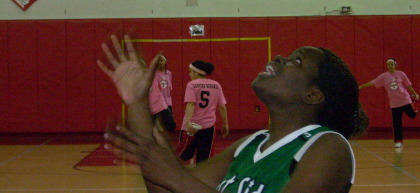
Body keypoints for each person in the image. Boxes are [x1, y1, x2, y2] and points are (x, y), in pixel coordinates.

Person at [99, 34, 368, 193]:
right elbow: (170, 188)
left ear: (313, 94)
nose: (279, 58)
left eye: (296, 61)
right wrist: (136, 102)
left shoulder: (328, 146)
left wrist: (176, 176)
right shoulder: (251, 144)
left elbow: (177, 182)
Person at [176, 60, 229, 164]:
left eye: (190, 71)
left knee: (182, 154)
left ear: (196, 72)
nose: (189, 74)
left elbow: (191, 104)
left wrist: (187, 123)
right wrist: (225, 124)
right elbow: (222, 107)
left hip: (192, 127)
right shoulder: (216, 85)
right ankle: (201, 178)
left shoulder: (191, 85)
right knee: (204, 158)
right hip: (208, 127)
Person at [359, 58, 419, 148]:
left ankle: (413, 101)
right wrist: (361, 86)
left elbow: (408, 85)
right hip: (394, 103)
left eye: (392, 64)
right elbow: (374, 82)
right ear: (387, 66)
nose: (390, 66)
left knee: (412, 115)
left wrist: (414, 93)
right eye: (389, 65)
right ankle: (399, 141)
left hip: (405, 99)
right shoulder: (384, 76)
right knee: (396, 122)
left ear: (395, 65)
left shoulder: (401, 74)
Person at [153, 55, 176, 131]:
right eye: (158, 61)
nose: (160, 62)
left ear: (165, 61)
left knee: (169, 123)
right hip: (158, 102)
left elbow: (169, 88)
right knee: (156, 122)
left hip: (167, 101)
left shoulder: (168, 73)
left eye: (161, 60)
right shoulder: (155, 74)